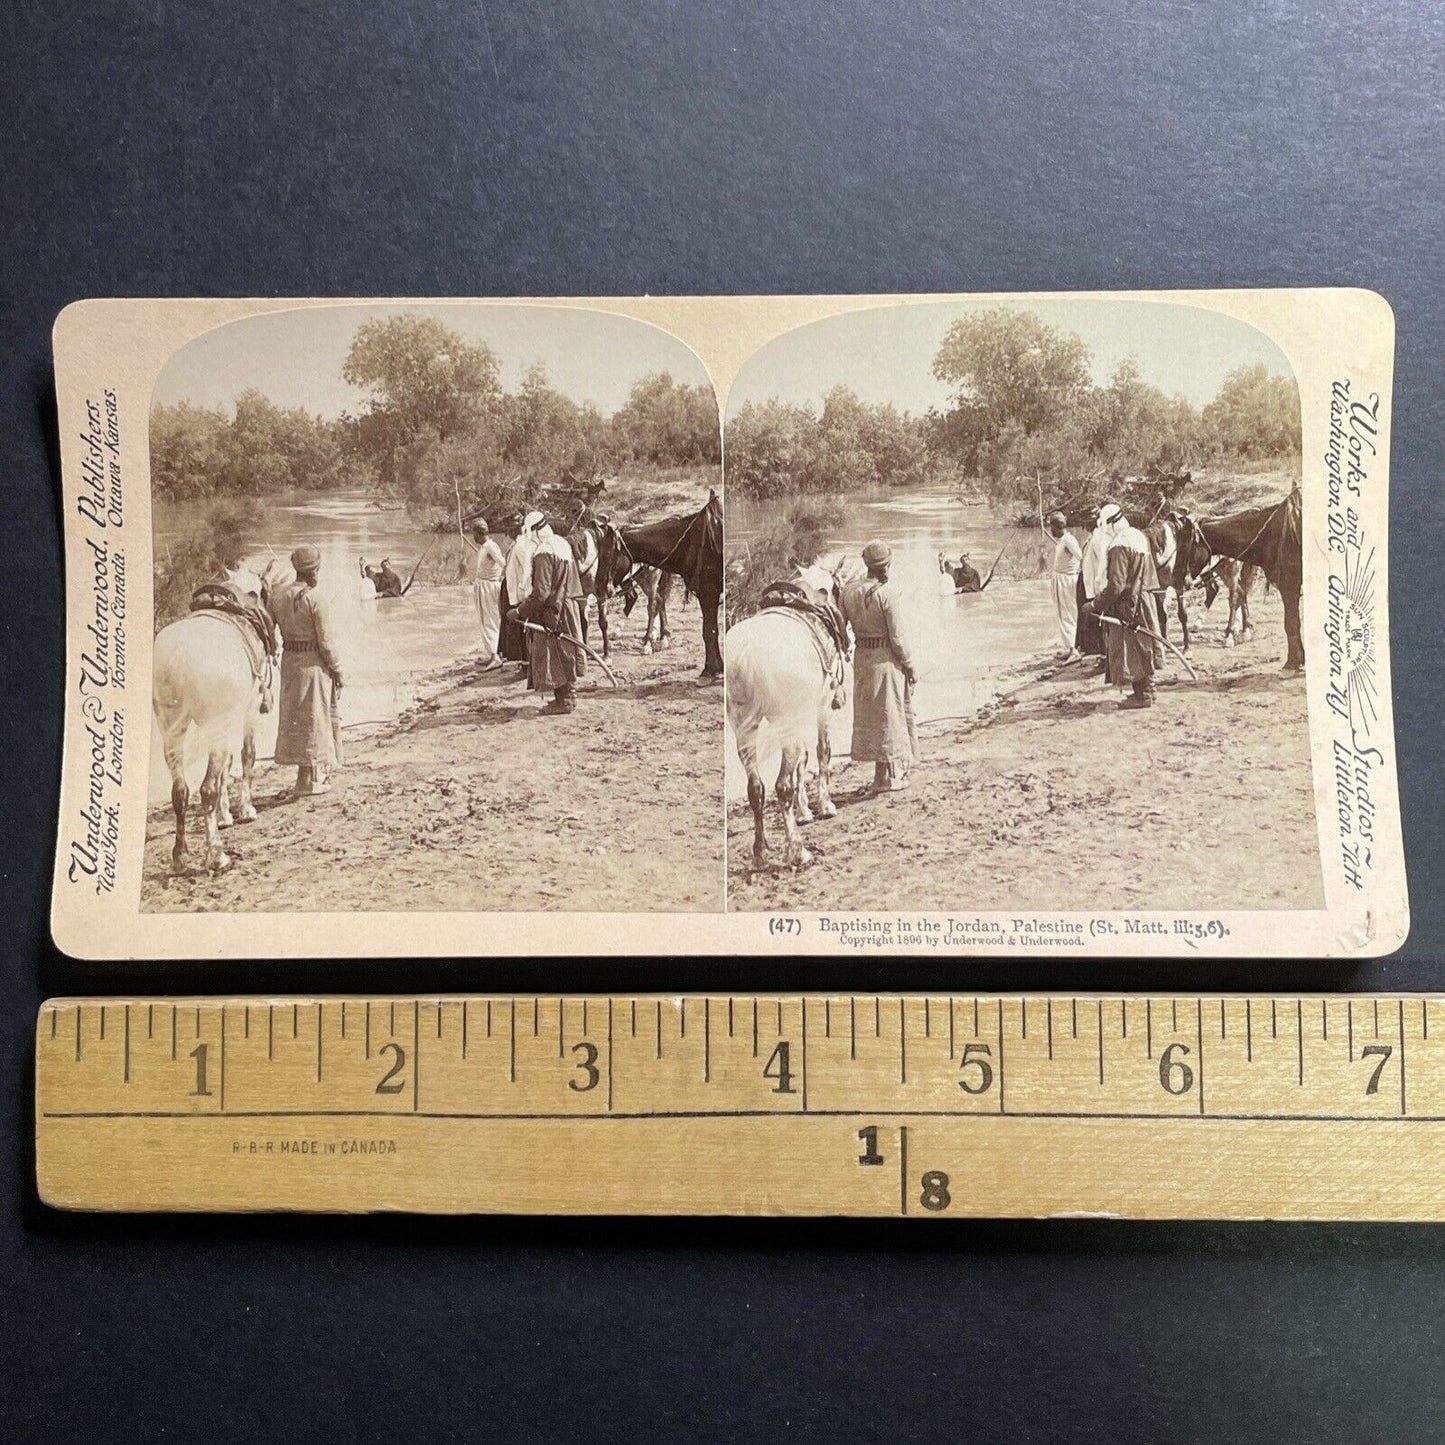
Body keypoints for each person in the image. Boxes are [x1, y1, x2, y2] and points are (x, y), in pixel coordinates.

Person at [839, 540, 918, 793]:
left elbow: (841, 630)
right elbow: (897, 638)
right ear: (886, 566)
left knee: (872, 716)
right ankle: (883, 780)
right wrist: (910, 665)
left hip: (862, 658)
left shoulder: (848, 591)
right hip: (885, 659)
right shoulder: (887, 594)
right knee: (888, 716)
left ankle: (880, 776)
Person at [267, 544, 343, 795]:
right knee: (314, 718)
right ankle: (307, 782)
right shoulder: (316, 598)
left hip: (290, 662)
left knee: (296, 718)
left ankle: (306, 778)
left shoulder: (278, 596)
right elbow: (326, 642)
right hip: (313, 664)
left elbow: (269, 631)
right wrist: (338, 670)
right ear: (315, 570)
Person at [511, 514, 586, 715]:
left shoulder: (543, 552)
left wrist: (520, 611)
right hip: (567, 605)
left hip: (553, 611)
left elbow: (541, 592)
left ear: (533, 531)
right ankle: (568, 698)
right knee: (566, 652)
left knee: (555, 655)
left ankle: (565, 701)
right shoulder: (561, 544)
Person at [1095, 503, 1166, 710]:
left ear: (1109, 524)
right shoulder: (1137, 537)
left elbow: (1116, 585)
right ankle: (1149, 689)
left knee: (1132, 649)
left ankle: (1141, 695)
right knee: (1145, 644)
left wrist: (1095, 604)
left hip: (1128, 605)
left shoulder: (1119, 545)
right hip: (1144, 598)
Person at [500, 511, 542, 664]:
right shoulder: (518, 543)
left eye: (511, 529)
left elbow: (527, 570)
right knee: (518, 630)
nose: (509, 532)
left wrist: (524, 593)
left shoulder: (522, 545)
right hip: (514, 591)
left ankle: (527, 663)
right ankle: (524, 662)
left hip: (520, 593)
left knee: (523, 629)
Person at [470, 520, 506, 671]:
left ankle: (495, 657)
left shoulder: (491, 547)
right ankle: (492, 653)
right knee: (485, 621)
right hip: (482, 586)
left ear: (480, 533)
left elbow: (503, 563)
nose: (473, 538)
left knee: (491, 620)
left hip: (489, 588)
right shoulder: (484, 547)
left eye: (474, 534)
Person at [1046, 511, 1082, 659]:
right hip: (1061, 580)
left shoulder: (1069, 540)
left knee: (1068, 614)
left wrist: (1075, 571)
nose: (1051, 531)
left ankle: (1074, 650)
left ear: (1057, 527)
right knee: (1062, 614)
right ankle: (1070, 646)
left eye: (1052, 528)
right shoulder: (1062, 541)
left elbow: (1081, 556)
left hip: (1067, 581)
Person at [1076, 505, 1111, 659]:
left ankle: (1103, 656)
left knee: (1098, 621)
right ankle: (1096, 653)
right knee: (1090, 620)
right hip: (1088, 584)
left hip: (1096, 586)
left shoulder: (1099, 538)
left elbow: (1103, 564)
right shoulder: (1092, 538)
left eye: (1088, 521)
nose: (1085, 525)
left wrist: (1100, 587)